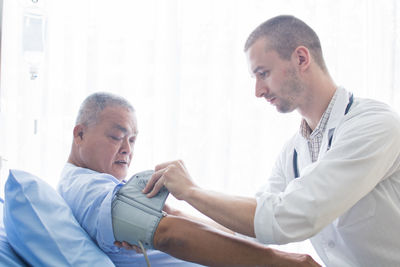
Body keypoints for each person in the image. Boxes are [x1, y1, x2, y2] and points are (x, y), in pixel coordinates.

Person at [144, 15, 400, 267]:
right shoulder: (294, 151)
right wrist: (171, 215)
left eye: (263, 73)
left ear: (301, 58)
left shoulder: (374, 125)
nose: (258, 91)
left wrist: (191, 191)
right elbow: (249, 229)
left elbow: (289, 218)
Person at [57, 92, 320, 267]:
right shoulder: (86, 187)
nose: (127, 149)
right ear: (79, 134)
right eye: (116, 137)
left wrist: (248, 240)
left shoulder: (102, 185)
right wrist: (283, 262)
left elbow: (170, 217)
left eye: (133, 139)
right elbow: (171, 235)